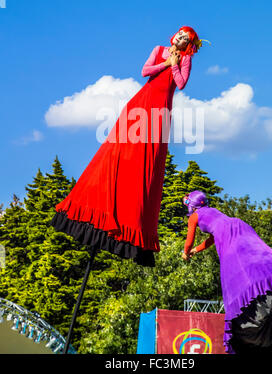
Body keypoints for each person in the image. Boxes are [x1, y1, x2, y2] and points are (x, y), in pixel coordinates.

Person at [51, 27, 205, 267]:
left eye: (187, 39)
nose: (182, 39)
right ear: (175, 36)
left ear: (189, 45)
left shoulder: (185, 60)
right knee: (121, 151)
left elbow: (181, 83)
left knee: (147, 164)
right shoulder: (159, 50)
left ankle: (131, 216)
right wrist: (166, 63)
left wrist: (175, 64)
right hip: (142, 105)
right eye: (180, 35)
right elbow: (145, 71)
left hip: (160, 113)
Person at [182, 190, 272, 354]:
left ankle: (252, 291)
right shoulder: (214, 211)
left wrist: (186, 252)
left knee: (236, 264)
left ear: (192, 205)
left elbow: (189, 239)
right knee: (256, 252)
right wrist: (197, 250)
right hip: (240, 226)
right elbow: (214, 236)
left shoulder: (194, 216)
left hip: (227, 235)